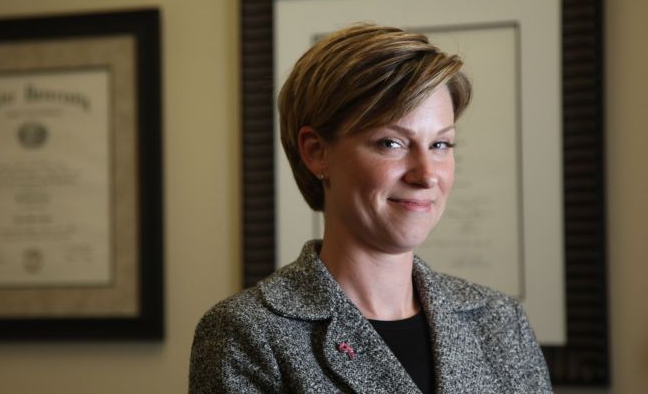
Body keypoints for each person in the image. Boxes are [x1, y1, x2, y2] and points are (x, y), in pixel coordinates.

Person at [189, 24, 552, 393]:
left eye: (441, 145)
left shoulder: (502, 321)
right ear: (316, 151)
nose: (427, 175)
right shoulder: (247, 333)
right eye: (392, 143)